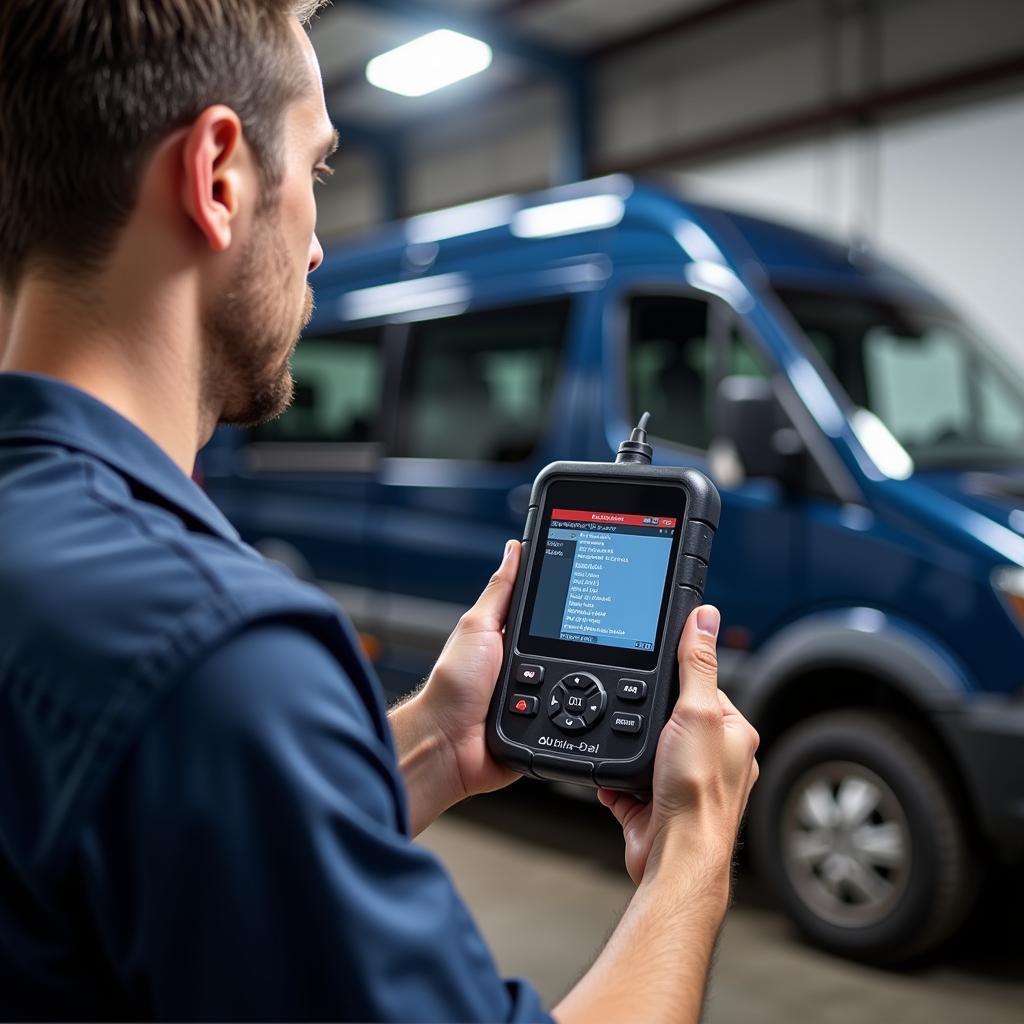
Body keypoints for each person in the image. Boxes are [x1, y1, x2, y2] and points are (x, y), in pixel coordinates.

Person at [0, 2, 760, 1020]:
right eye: (315, 173)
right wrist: (696, 850)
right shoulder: (214, 651)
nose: (317, 248)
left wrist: (437, 746)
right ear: (218, 176)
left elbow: (174, 860)